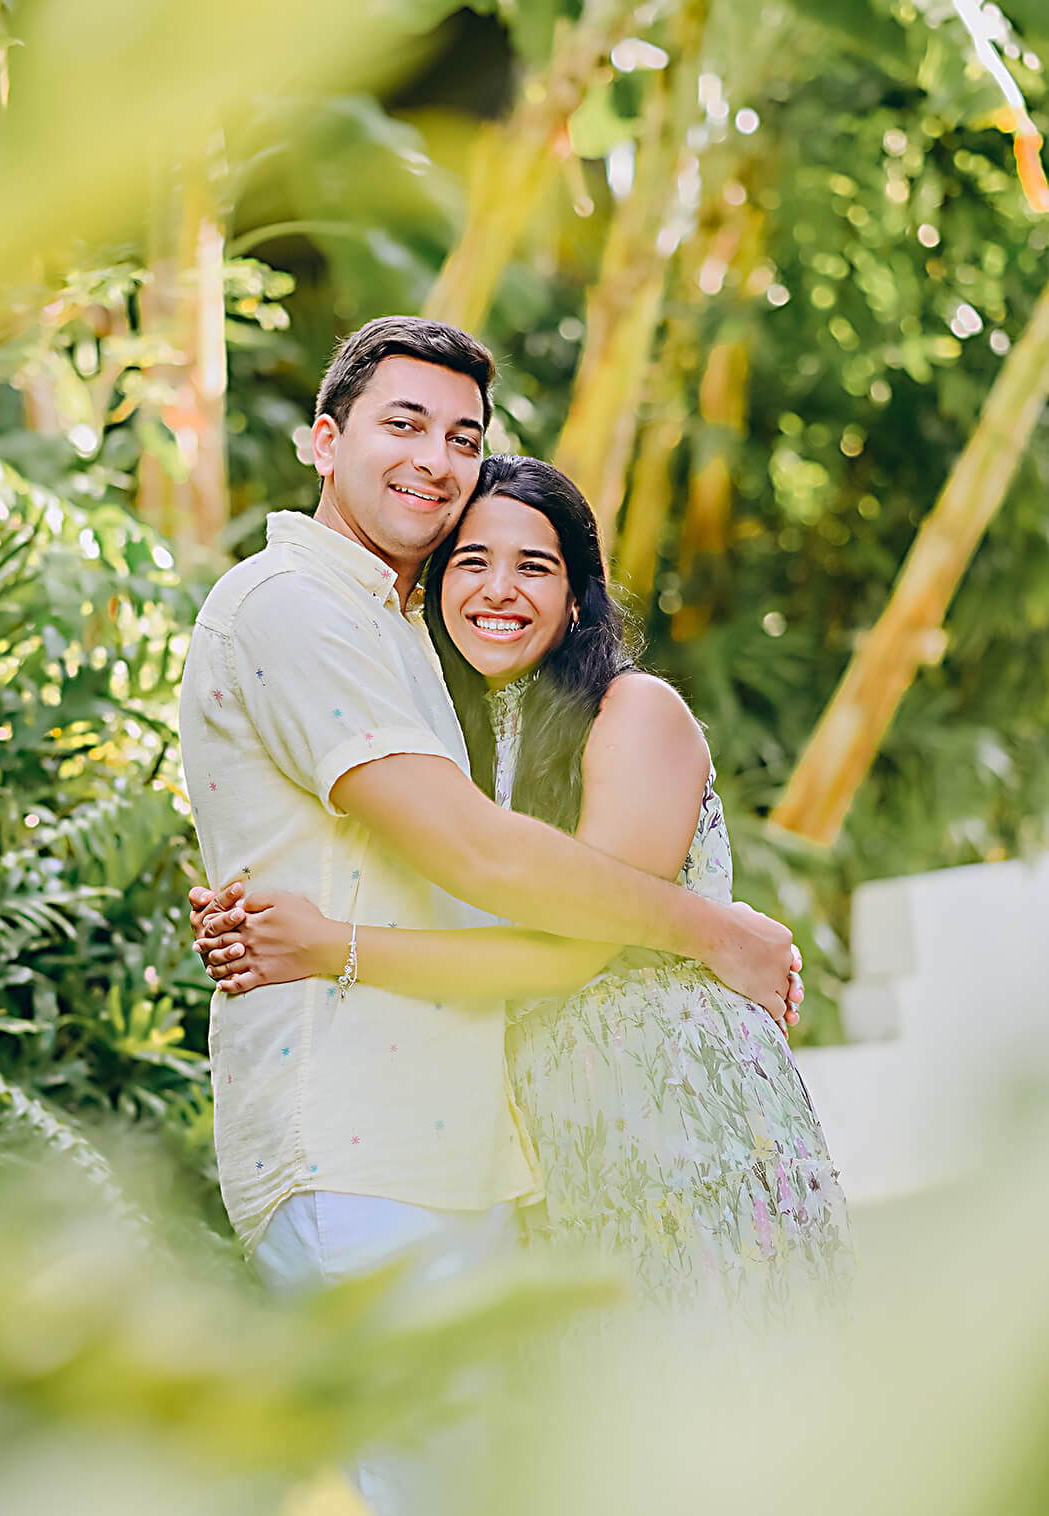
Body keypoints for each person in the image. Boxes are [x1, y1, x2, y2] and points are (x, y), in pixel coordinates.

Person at [179, 317, 802, 1326]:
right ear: (324, 441)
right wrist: (713, 926)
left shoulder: (415, 646)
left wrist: (324, 934)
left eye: (461, 438)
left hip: (529, 1149)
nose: (434, 459)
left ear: (577, 591)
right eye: (404, 423)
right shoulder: (295, 606)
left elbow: (485, 887)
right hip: (357, 1146)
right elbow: (475, 854)